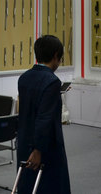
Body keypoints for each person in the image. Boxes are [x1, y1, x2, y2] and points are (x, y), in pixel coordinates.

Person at [17, 35, 70, 193]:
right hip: (45, 145)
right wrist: (38, 149)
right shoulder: (52, 81)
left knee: (26, 184)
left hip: (24, 139)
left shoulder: (24, 78)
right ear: (56, 56)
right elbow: (44, 118)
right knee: (49, 185)